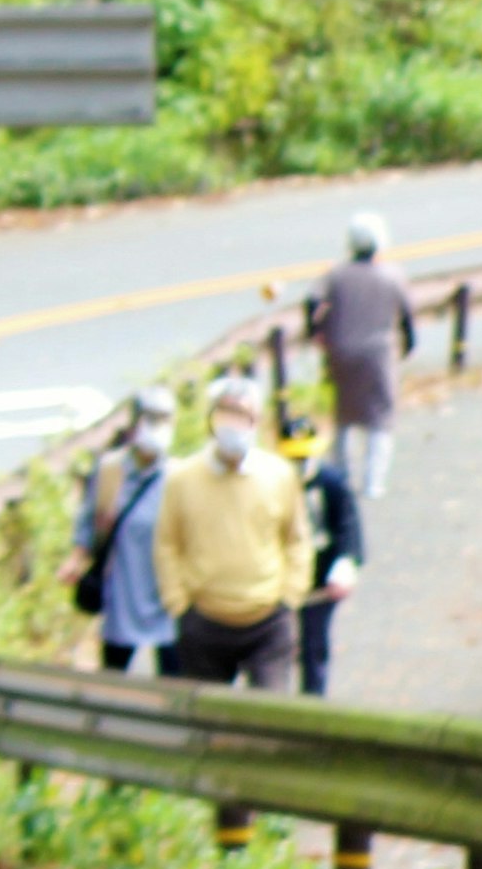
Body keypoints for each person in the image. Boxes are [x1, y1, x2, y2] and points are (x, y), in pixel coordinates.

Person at [155, 374, 311, 689]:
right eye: (225, 414)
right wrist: (178, 602)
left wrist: (290, 596)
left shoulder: (278, 475)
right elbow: (167, 544)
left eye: (242, 415)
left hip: (268, 619)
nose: (233, 426)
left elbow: (296, 539)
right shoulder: (182, 479)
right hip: (205, 620)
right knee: (209, 720)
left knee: (270, 717)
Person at [72, 388, 178, 676]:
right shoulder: (110, 471)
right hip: (122, 592)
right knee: (113, 677)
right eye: (151, 419)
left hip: (168, 597)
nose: (158, 428)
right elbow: (87, 524)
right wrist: (76, 558)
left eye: (164, 420)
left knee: (174, 679)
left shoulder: (179, 476)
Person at [316, 215, 417, 500]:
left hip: (341, 352)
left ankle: (342, 477)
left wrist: (318, 331)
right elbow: (407, 317)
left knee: (343, 417)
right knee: (380, 418)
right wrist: (408, 346)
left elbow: (313, 301)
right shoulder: (392, 275)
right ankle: (374, 482)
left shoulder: (335, 275)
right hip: (378, 355)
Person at [280, 416, 365, 696]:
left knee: (314, 645)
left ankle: (312, 700)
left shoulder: (331, 482)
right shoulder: (273, 484)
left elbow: (349, 528)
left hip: (319, 583)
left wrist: (345, 564)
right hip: (280, 581)